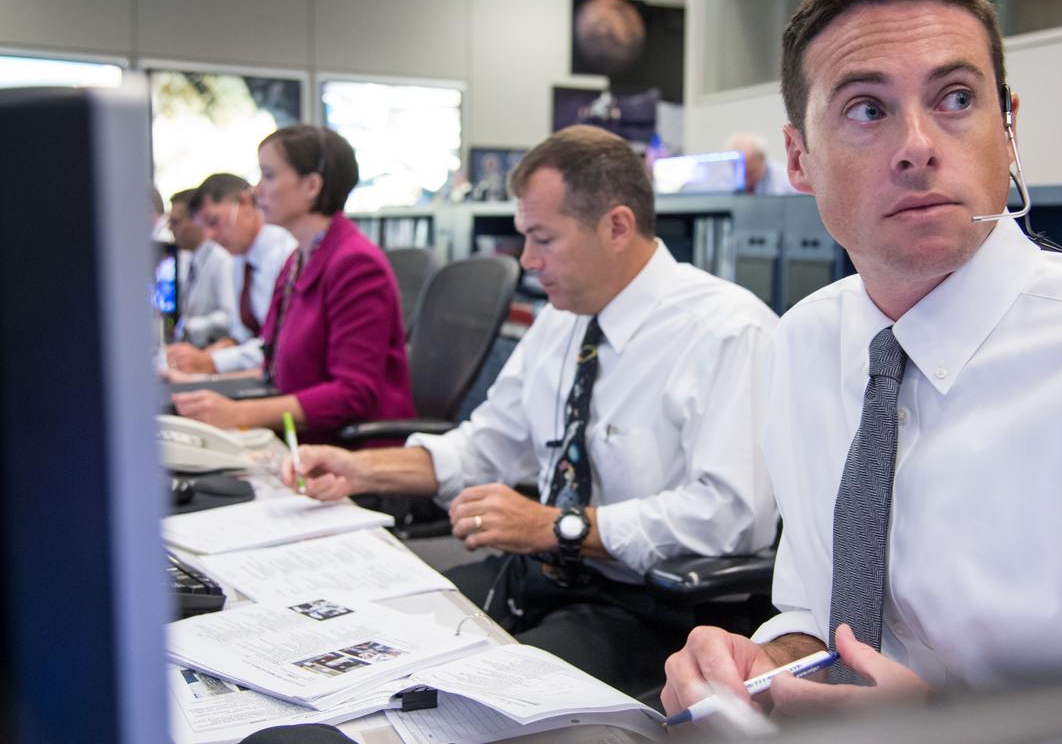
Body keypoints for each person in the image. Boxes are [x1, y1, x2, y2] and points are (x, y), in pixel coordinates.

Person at [662, 0, 1062, 723]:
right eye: (866, 108)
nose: (918, 143)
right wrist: (765, 658)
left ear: (1006, 127)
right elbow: (818, 614)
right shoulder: (804, 345)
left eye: (955, 97)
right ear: (798, 159)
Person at [286, 125, 779, 696]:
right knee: (371, 638)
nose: (526, 260)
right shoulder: (563, 318)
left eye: (543, 238)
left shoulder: (728, 332)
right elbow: (488, 446)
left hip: (652, 611)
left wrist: (559, 526)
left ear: (617, 226)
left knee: (458, 700)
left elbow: (729, 516)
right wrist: (362, 469)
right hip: (543, 574)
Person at [172, 126, 414, 444]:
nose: (257, 191)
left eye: (268, 175)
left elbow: (353, 394)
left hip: (348, 453)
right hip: (303, 438)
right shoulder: (297, 261)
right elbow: (274, 369)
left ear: (311, 185)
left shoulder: (356, 264)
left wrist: (239, 414)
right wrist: (205, 386)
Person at [165, 173, 296, 374]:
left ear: (245, 203)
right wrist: (200, 358)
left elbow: (277, 344)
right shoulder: (239, 259)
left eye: (214, 221)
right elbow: (240, 334)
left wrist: (212, 362)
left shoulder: (285, 254)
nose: (209, 236)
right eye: (203, 227)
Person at [167, 188, 236, 347]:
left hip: (212, 350)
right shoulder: (189, 259)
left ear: (195, 221)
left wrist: (190, 326)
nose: (170, 228)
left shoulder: (221, 259)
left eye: (175, 222)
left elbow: (229, 316)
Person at [727, 131, 796, 195]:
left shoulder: (787, 182)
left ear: (762, 159)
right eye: (738, 171)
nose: (744, 178)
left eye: (749, 172)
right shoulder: (722, 177)